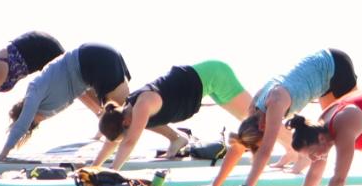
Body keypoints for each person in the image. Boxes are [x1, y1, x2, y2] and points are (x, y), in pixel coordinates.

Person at [208, 48, 357, 186]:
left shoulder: (275, 102)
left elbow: (265, 152)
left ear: (261, 127)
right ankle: (299, 159)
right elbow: (239, 145)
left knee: (344, 127)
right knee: (328, 131)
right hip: (321, 64)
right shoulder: (254, 110)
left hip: (336, 68)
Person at [92, 61, 253, 170]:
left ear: (126, 122)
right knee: (252, 121)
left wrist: (112, 172)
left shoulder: (142, 105)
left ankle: (273, 154)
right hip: (207, 84)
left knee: (256, 120)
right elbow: (112, 142)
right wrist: (94, 168)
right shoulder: (124, 113)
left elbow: (129, 142)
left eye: (123, 133)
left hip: (214, 77)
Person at [0, 43, 132, 158]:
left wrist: (3, 154)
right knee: (127, 113)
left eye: (33, 122)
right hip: (95, 60)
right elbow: (97, 104)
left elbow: (21, 124)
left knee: (128, 115)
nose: (39, 122)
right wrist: (97, 137)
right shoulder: (46, 107)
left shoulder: (34, 90)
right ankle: (125, 149)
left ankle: (126, 152)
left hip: (94, 59)